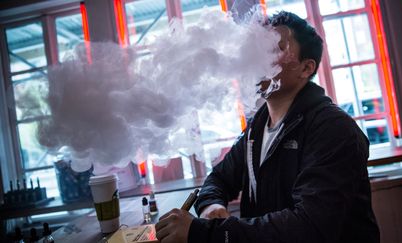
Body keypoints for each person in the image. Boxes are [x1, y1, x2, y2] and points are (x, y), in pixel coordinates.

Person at [155, 11, 380, 243]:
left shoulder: (333, 130)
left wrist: (203, 233)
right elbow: (219, 178)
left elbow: (309, 227)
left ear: (306, 68)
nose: (259, 57)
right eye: (259, 47)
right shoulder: (258, 126)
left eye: (275, 48)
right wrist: (210, 205)